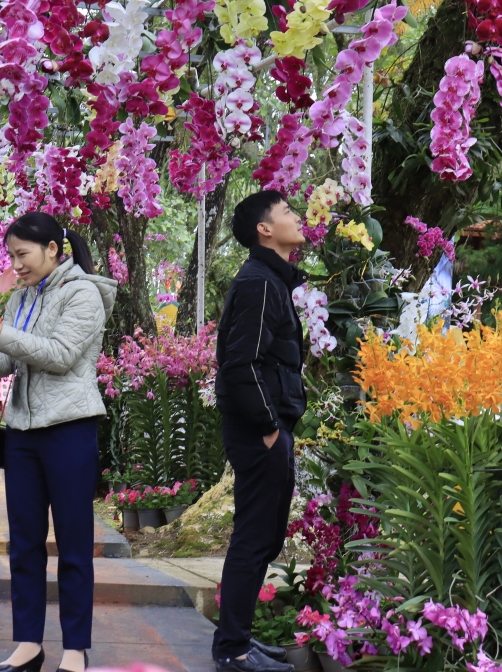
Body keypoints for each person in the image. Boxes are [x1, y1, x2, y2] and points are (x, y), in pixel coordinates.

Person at [0, 213, 117, 672]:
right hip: (21, 434)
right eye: (12, 256)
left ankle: (75, 650)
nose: (16, 265)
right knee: (24, 544)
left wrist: (5, 333)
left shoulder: (85, 294)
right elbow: (4, 364)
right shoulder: (21, 298)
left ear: (54, 249)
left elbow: (60, 356)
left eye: (23, 255)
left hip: (69, 429)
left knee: (75, 544)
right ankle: (28, 645)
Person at [211, 191, 308, 672]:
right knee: (253, 539)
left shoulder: (269, 280)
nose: (298, 217)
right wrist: (269, 428)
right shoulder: (258, 283)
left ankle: (239, 638)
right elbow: (238, 363)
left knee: (263, 538)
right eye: (287, 212)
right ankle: (232, 650)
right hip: (260, 430)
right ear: (264, 230)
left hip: (267, 427)